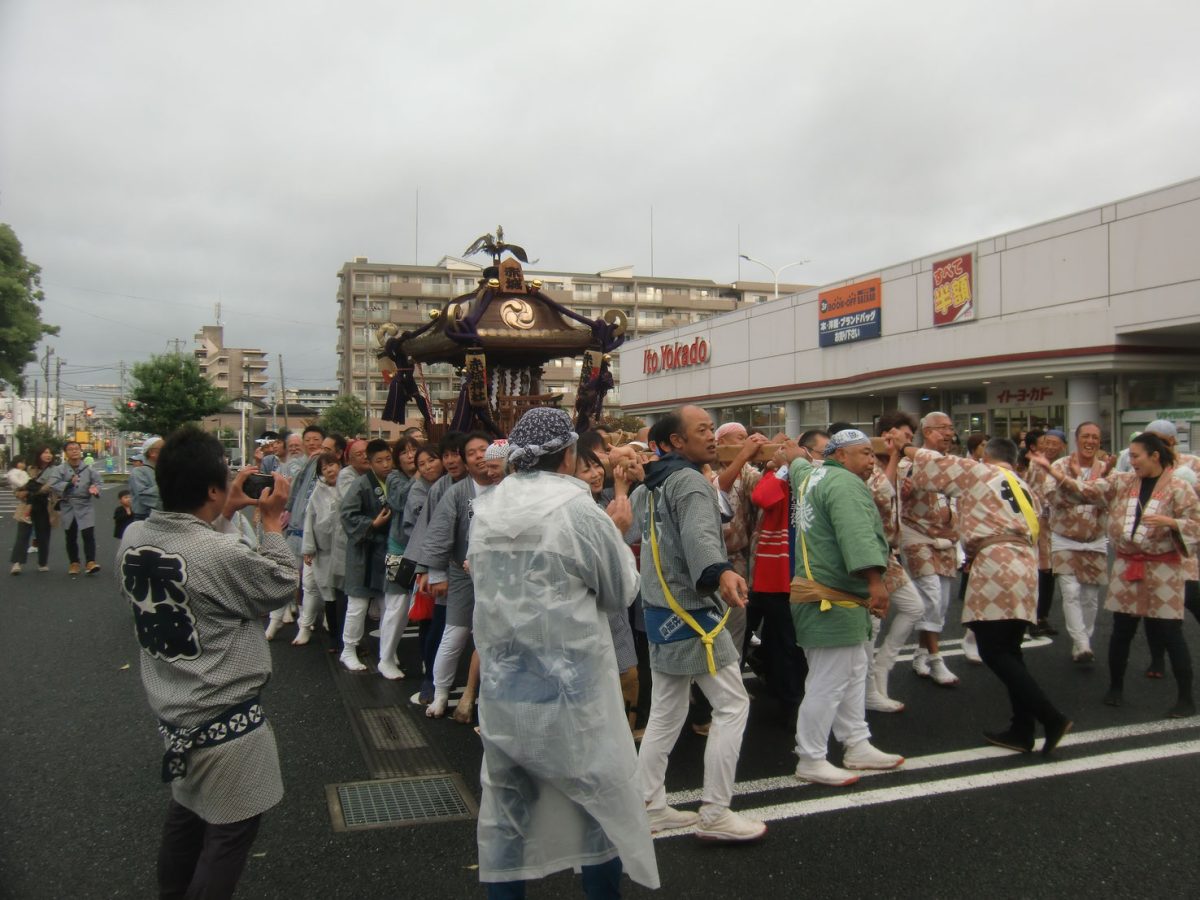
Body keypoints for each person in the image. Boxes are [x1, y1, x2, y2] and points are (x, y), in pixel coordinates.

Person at [468, 407, 657, 897]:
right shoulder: (579, 511)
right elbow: (620, 591)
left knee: (508, 809)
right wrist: (615, 531)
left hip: (506, 686)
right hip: (574, 688)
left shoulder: (485, 509)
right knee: (598, 802)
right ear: (568, 454)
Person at [116, 426, 296, 899]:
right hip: (226, 718)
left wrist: (226, 510)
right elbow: (279, 583)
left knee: (189, 814)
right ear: (213, 488)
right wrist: (271, 522)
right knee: (229, 834)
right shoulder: (219, 552)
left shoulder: (134, 537)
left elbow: (192, 555)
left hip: (174, 708)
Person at [629, 406, 766, 842]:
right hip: (693, 613)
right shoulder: (688, 481)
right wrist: (719, 572)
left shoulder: (652, 483)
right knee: (733, 705)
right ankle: (715, 813)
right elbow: (701, 540)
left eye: (712, 428)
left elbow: (631, 529)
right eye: (701, 430)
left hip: (659, 611)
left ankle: (648, 804)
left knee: (668, 711)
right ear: (674, 443)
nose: (711, 436)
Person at [905, 437, 1072, 753]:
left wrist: (904, 448)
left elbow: (930, 463)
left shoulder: (980, 472)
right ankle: (1021, 729)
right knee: (1010, 648)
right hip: (1025, 563)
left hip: (996, 562)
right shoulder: (1023, 486)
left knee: (992, 648)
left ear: (988, 456)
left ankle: (1050, 717)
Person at [1033, 433, 1200, 717]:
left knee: (1171, 632)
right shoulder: (1121, 482)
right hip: (1127, 564)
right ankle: (1116, 686)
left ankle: (1186, 698)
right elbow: (1085, 491)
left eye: (1136, 456)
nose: (1130, 461)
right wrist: (1052, 471)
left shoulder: (1179, 487)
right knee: (1122, 630)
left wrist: (1171, 522)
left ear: (1154, 456)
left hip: (1163, 566)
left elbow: (1195, 523)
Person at [785, 430, 905, 785]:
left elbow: (797, 467)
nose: (871, 460)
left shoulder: (813, 475)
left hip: (827, 595)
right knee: (828, 680)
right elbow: (856, 534)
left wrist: (792, 455)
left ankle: (856, 743)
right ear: (839, 456)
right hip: (830, 597)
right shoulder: (844, 485)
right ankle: (810, 757)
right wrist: (875, 581)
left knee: (852, 672)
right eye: (865, 453)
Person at [421, 432, 495, 718]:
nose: (478, 456)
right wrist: (436, 571)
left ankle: (487, 696)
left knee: (495, 637)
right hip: (463, 572)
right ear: (465, 461)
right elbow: (439, 533)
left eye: (483, 450)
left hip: (500, 573)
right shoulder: (457, 492)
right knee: (455, 634)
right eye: (472, 452)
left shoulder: (510, 485)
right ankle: (440, 694)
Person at [866, 412, 927, 712]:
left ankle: (882, 667)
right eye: (905, 435)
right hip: (869, 554)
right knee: (872, 624)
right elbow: (881, 492)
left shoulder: (901, 463)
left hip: (889, 553)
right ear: (889, 434)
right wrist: (892, 456)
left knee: (914, 607)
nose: (908, 441)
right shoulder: (866, 462)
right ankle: (868, 691)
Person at [1038, 422, 1109, 661]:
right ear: (1077, 440)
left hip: (1096, 538)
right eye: (1086, 437)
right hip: (1064, 538)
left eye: (1095, 438)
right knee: (1070, 591)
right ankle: (1081, 642)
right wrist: (1089, 493)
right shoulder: (1059, 465)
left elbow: (1108, 498)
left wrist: (1073, 490)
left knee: (1090, 595)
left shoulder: (1106, 468)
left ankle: (1083, 640)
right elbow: (1051, 497)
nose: (1090, 441)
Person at [899, 412, 960, 686]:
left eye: (950, 428)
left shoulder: (952, 464)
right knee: (932, 594)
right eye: (941, 429)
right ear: (926, 432)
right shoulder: (907, 463)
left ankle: (921, 653)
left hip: (946, 539)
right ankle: (937, 660)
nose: (948, 434)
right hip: (916, 535)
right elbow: (895, 496)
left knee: (941, 602)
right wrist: (906, 492)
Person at [338, 439, 393, 671]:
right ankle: (348, 649)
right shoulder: (361, 484)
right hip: (363, 550)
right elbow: (347, 514)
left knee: (387, 605)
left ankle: (387, 653)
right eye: (379, 461)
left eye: (388, 459)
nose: (385, 465)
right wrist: (372, 523)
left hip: (385, 550)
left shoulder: (395, 481)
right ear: (369, 463)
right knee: (358, 604)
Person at [377, 435, 420, 680]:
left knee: (404, 607)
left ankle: (388, 653)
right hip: (398, 549)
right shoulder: (394, 478)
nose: (410, 455)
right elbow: (397, 501)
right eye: (404, 451)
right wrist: (417, 477)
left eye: (414, 450)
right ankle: (385, 658)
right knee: (397, 605)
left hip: (418, 548)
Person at [296, 451, 344, 646]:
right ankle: (334, 637)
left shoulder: (349, 485)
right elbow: (310, 519)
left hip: (345, 549)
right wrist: (309, 548)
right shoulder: (318, 491)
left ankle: (348, 639)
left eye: (332, 465)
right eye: (324, 468)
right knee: (329, 594)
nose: (330, 470)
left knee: (347, 596)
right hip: (324, 551)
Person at [1026, 429, 1067, 636]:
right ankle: (1032, 616)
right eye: (1046, 442)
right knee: (1038, 571)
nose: (1050, 446)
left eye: (1055, 443)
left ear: (1063, 447)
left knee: (1050, 572)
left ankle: (1042, 616)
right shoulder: (1034, 464)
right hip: (1037, 523)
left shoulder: (1064, 466)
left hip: (1056, 525)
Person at [47, 440, 104, 575]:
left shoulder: (89, 469)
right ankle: (74, 562)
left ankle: (90, 562)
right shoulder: (59, 469)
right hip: (68, 505)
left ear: (80, 451)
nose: (74, 451)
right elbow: (53, 484)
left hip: (85, 504)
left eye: (77, 448)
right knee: (70, 535)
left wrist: (95, 489)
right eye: (71, 449)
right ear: (66, 453)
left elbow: (98, 482)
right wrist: (68, 484)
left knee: (88, 534)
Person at [129, 436, 164, 521]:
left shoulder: (165, 470)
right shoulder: (139, 472)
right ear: (152, 452)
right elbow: (144, 495)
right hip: (144, 517)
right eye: (163, 449)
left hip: (163, 517)